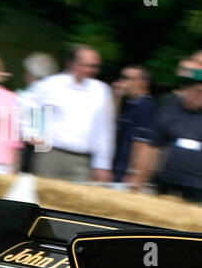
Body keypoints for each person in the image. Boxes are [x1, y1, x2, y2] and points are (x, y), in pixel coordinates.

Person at [26, 44, 114, 182]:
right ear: (72, 64)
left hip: (83, 160)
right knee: (43, 198)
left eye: (94, 66)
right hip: (51, 155)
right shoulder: (51, 84)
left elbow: (105, 130)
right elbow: (29, 107)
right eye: (85, 65)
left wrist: (103, 165)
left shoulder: (101, 90)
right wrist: (32, 134)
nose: (90, 70)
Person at [129, 69, 202, 202]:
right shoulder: (168, 113)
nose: (200, 96)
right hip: (166, 182)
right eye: (198, 91)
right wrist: (140, 177)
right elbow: (152, 148)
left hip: (197, 186)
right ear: (187, 90)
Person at [112, 64, 155, 184]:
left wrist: (134, 172)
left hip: (126, 171)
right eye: (121, 77)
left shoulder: (146, 108)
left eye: (127, 78)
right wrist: (117, 97)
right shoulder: (127, 105)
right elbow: (111, 126)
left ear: (143, 82)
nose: (121, 82)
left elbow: (142, 143)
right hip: (116, 166)